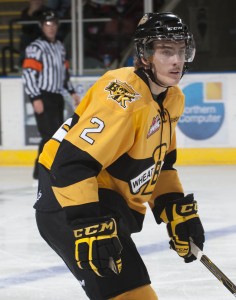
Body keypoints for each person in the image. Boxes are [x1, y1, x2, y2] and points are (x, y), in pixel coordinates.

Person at [34, 12, 205, 300]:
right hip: (69, 204)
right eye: (166, 51)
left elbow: (161, 164)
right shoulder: (122, 95)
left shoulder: (173, 98)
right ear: (145, 55)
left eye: (181, 50)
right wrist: (88, 223)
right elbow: (71, 164)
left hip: (104, 203)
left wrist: (173, 208)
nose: (177, 60)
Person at [22, 10, 80, 181]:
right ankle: (42, 171)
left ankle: (41, 170)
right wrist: (35, 97)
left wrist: (72, 92)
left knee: (56, 135)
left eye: (54, 24)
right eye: (47, 24)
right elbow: (29, 74)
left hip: (56, 96)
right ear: (41, 26)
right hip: (43, 95)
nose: (51, 27)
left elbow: (64, 73)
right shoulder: (36, 47)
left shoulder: (59, 47)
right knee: (49, 135)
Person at [19, 0, 50, 66]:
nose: (37, 1)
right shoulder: (25, 11)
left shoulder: (47, 11)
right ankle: (24, 62)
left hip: (44, 35)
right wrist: (31, 12)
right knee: (24, 37)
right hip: (31, 36)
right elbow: (24, 28)